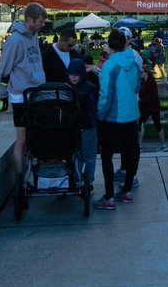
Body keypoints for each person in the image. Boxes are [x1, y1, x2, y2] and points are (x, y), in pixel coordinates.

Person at [0, 2, 48, 179]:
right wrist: (3, 95)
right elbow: (3, 72)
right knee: (22, 138)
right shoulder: (15, 41)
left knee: (39, 134)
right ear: (30, 20)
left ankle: (38, 167)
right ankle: (19, 178)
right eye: (40, 21)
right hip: (21, 95)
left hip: (36, 92)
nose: (43, 24)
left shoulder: (33, 36)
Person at [94, 28, 142, 210]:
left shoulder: (109, 65)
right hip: (131, 113)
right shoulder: (135, 62)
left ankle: (108, 196)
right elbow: (137, 87)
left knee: (107, 155)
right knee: (131, 152)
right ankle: (127, 190)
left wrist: (100, 115)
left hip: (113, 116)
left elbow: (105, 94)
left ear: (109, 46)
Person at [66, 58, 98, 194]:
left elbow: (95, 108)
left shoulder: (90, 88)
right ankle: (76, 179)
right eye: (71, 74)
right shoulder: (65, 88)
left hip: (88, 127)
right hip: (72, 128)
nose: (73, 77)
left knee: (89, 156)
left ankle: (88, 181)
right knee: (74, 156)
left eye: (76, 74)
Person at [137, 62, 166, 151]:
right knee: (140, 123)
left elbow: (153, 96)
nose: (140, 74)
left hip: (153, 107)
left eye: (141, 72)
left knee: (157, 125)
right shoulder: (142, 82)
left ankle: (163, 145)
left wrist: (141, 101)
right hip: (146, 107)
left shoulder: (151, 82)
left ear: (146, 73)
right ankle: (139, 145)